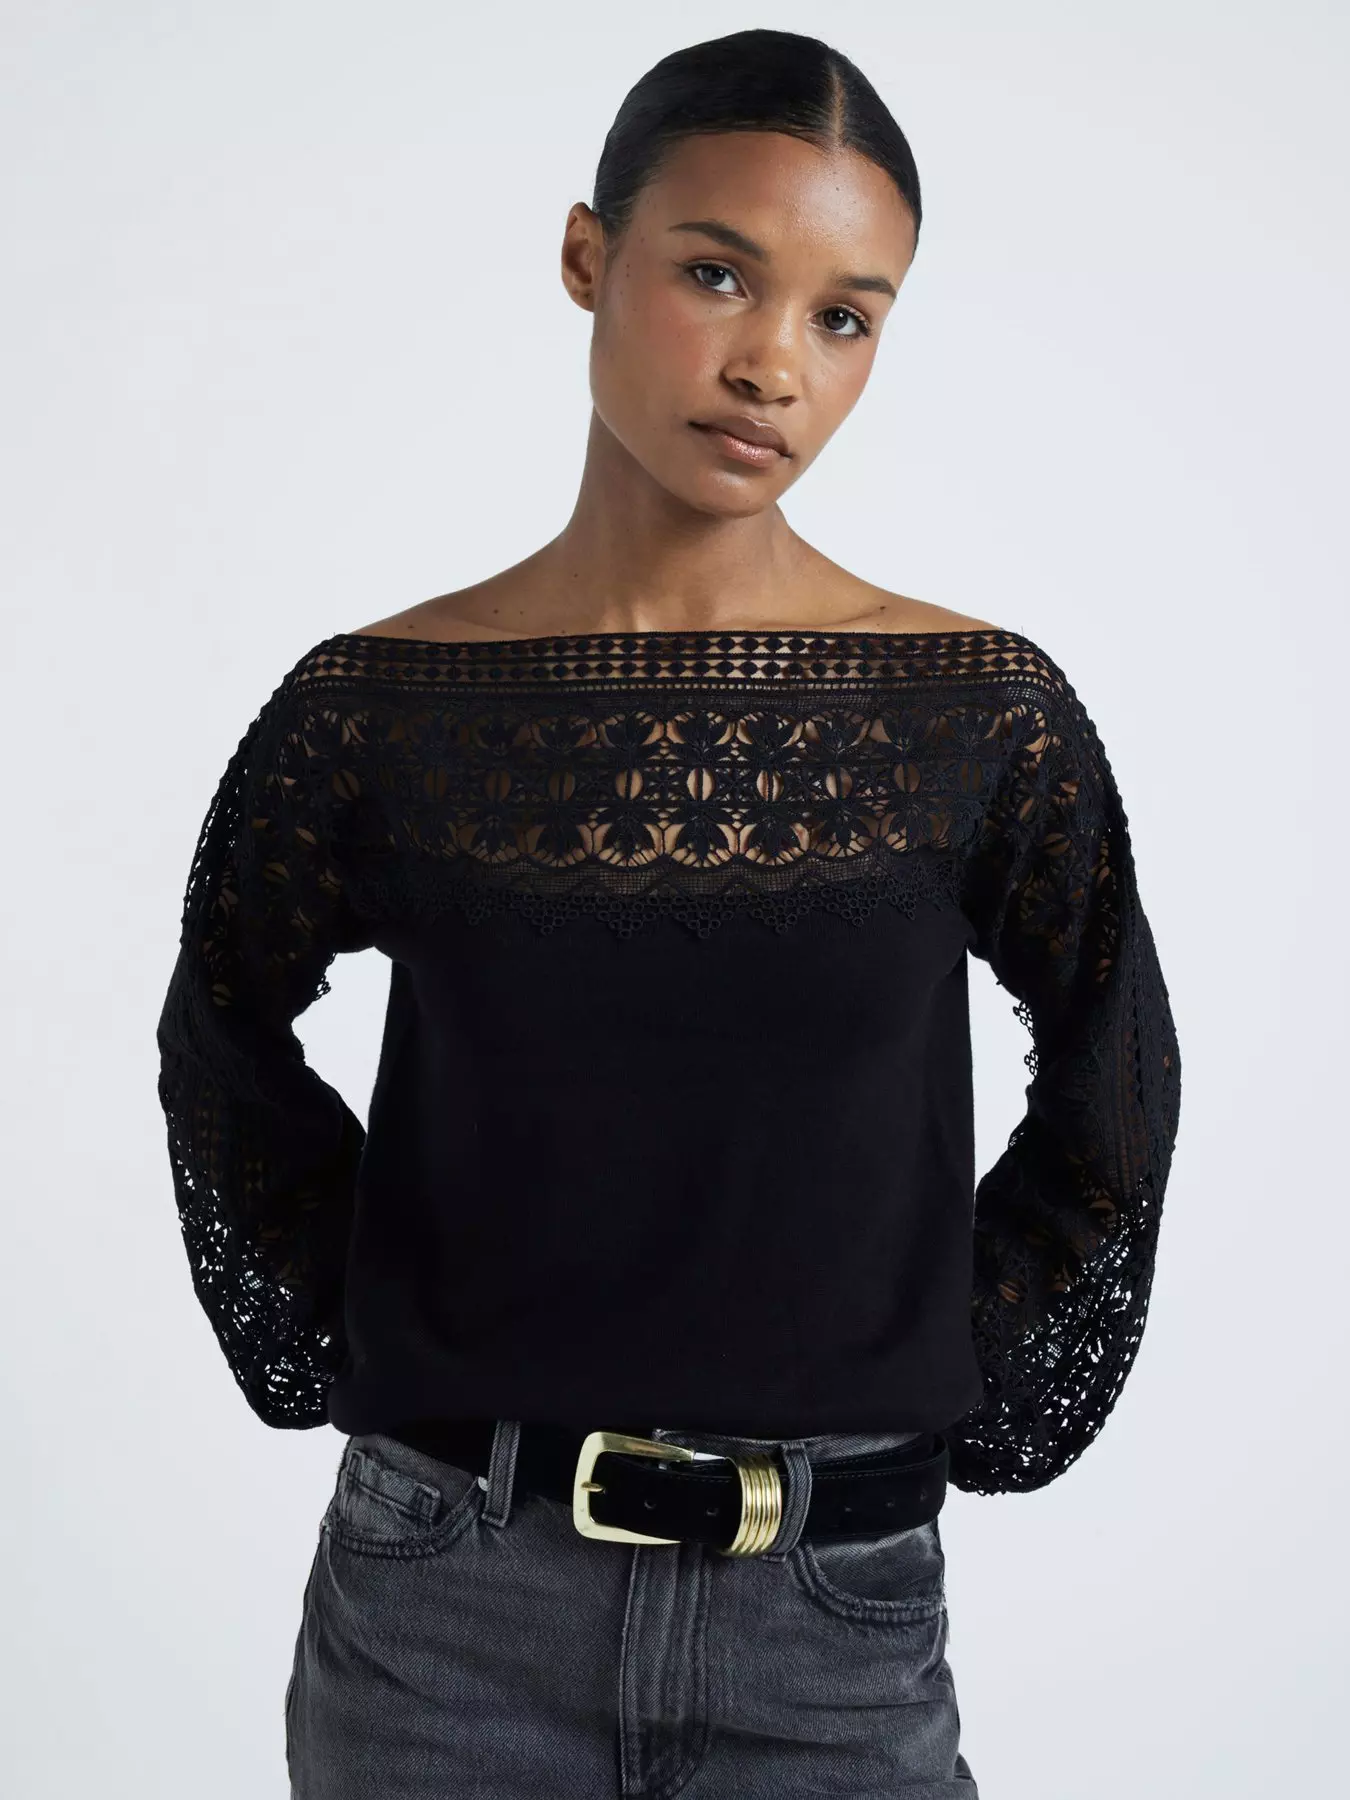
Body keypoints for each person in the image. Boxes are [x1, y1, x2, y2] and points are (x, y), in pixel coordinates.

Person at [155, 27, 1181, 1798]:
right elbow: (219, 1032)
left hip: (832, 1631)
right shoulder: (380, 709)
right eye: (717, 274)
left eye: (842, 317)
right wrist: (379, 1314)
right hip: (440, 1622)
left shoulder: (969, 714)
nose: (772, 362)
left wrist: (947, 1351)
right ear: (586, 256)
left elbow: (1116, 1067)